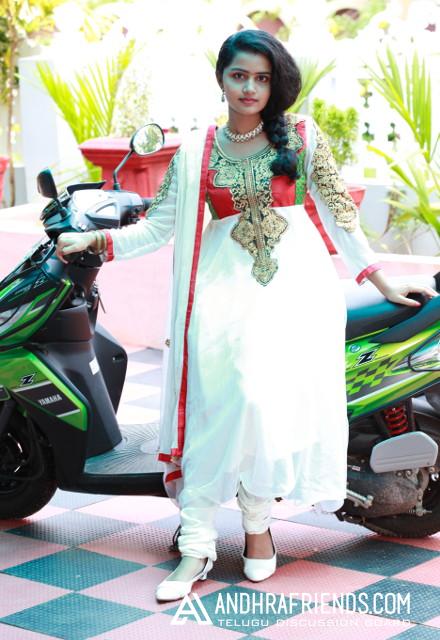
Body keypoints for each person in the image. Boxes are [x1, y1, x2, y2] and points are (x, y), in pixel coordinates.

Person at [56, 29, 438, 602]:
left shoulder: (302, 136)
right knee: (216, 405)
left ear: (274, 82)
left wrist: (379, 277)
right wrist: (95, 243)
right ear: (222, 79)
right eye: (239, 75)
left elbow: (339, 214)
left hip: (294, 296)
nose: (250, 87)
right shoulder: (196, 151)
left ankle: (258, 527)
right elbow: (158, 229)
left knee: (262, 407)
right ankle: (197, 543)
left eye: (261, 77)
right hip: (220, 295)